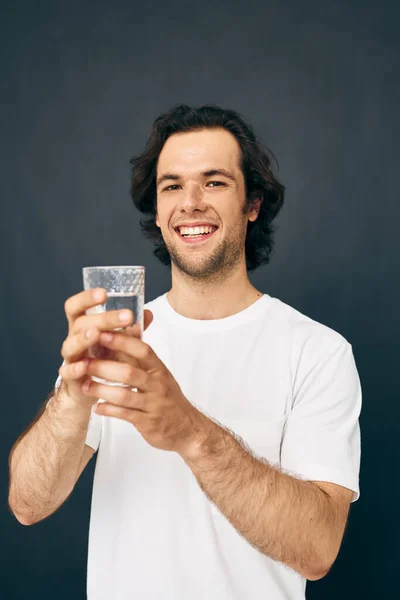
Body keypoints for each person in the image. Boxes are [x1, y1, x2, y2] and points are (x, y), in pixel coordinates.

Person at [8, 104, 361, 600]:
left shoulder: (318, 352)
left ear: (252, 203)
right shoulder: (120, 338)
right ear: (157, 208)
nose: (190, 203)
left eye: (214, 182)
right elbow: (27, 504)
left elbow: (318, 550)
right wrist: (72, 393)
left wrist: (191, 432)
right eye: (172, 186)